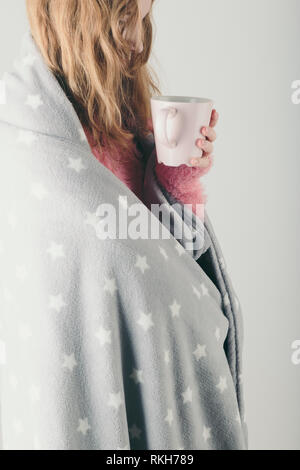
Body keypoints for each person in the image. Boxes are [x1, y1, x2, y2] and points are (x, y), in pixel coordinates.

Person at [0, 0, 247, 450]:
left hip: (159, 376)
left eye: (146, 17)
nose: (138, 37)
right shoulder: (33, 148)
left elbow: (177, 263)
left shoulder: (128, 129)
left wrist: (177, 178)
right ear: (81, 18)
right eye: (127, 17)